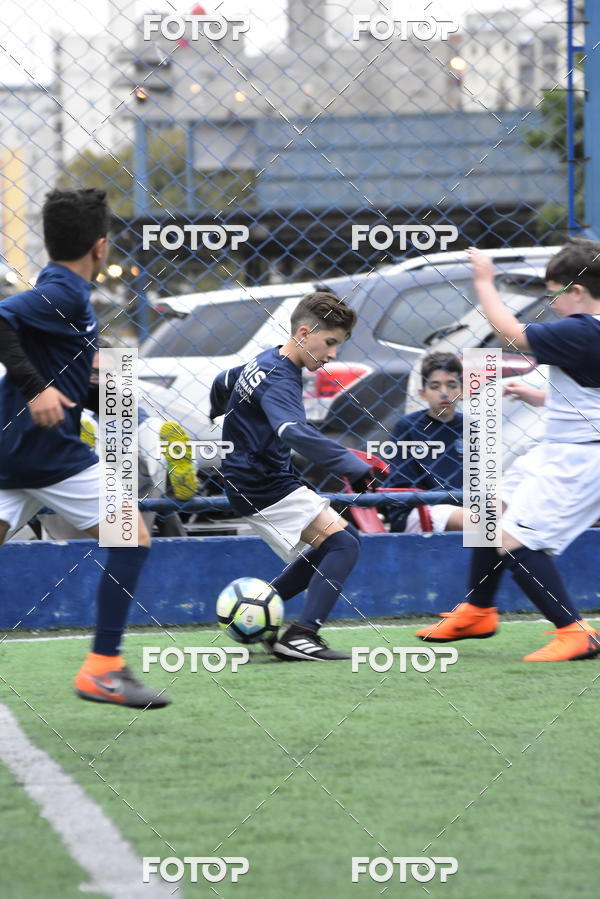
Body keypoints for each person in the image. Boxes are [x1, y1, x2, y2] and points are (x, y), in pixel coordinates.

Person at [0, 187, 171, 707]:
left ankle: (103, 668)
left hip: (14, 451)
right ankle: (101, 668)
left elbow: (55, 361)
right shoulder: (66, 293)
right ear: (101, 247)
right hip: (46, 454)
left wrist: (93, 392)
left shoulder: (57, 285)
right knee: (132, 536)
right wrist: (37, 389)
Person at [416, 239, 600, 662]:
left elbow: (508, 333)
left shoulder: (585, 328)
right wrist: (542, 400)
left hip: (580, 459)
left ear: (577, 290)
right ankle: (479, 610)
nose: (552, 305)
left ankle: (574, 631)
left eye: (555, 294)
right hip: (563, 448)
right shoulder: (588, 331)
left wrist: (484, 279)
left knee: (513, 539)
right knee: (489, 508)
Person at [209, 291, 374, 661]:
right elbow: (292, 432)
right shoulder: (281, 377)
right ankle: (302, 635)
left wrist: (217, 410)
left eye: (338, 345)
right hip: (262, 483)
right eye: (329, 342)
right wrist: (353, 467)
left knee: (336, 543)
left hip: (253, 479)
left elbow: (224, 381)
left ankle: (256, 608)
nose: (332, 354)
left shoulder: (266, 358)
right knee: (344, 544)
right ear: (302, 332)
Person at [383, 352, 465, 534]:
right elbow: (402, 484)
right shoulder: (408, 426)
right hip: (418, 508)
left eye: (451, 385)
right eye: (435, 386)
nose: (444, 393)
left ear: (462, 391)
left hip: (463, 507)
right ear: (422, 394)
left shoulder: (471, 427)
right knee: (473, 521)